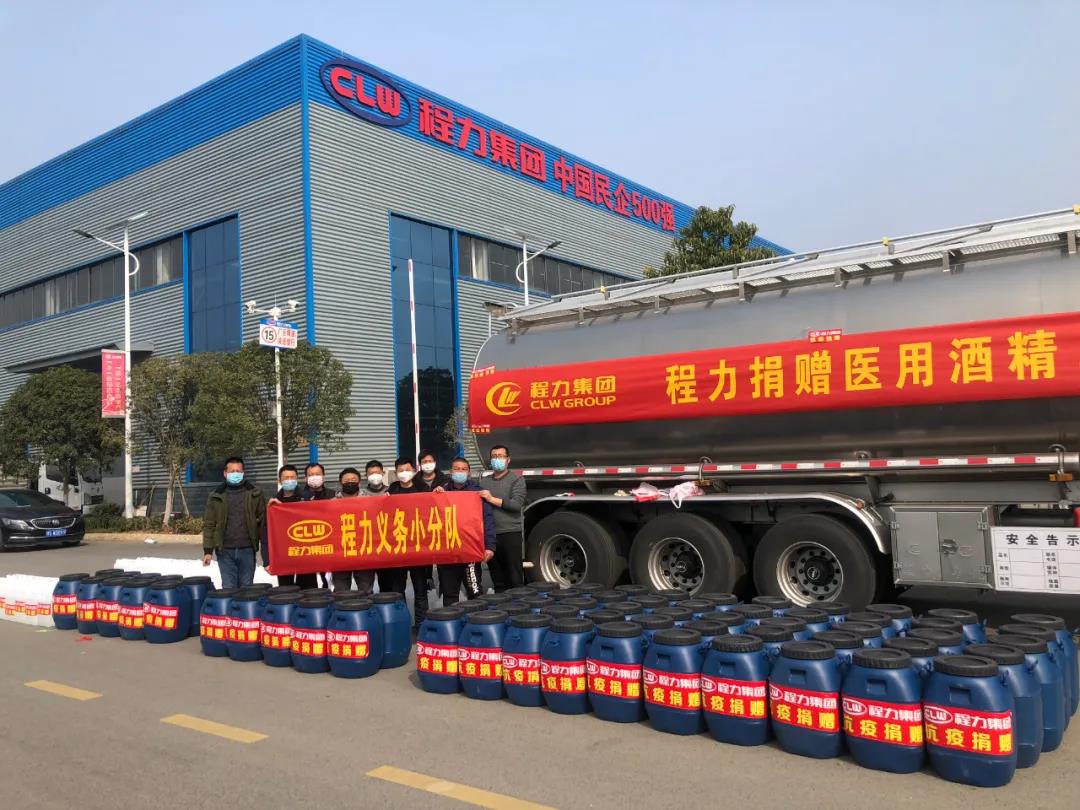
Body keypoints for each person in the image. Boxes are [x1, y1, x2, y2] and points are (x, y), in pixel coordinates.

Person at [202, 457, 267, 588]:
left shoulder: (255, 494)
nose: (235, 474)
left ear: (243, 473)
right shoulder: (216, 496)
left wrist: (266, 551)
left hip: (247, 549)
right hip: (225, 550)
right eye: (232, 471)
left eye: (238, 471)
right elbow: (209, 524)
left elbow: (263, 522)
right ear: (225, 473)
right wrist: (208, 551)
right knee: (228, 587)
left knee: (247, 588)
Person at [439, 457, 496, 603]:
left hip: (470, 551)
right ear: (451, 472)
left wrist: (490, 546)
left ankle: (476, 617)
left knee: (474, 592)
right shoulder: (441, 492)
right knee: (449, 594)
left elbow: (487, 519)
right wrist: (435, 496)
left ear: (469, 473)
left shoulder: (478, 493)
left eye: (464, 469)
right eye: (457, 469)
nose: (460, 472)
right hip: (448, 552)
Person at [388, 457, 431, 629]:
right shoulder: (392, 489)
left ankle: (422, 625)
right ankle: (402, 624)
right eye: (400, 470)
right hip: (398, 548)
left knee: (420, 589)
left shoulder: (422, 488)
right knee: (398, 590)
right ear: (396, 472)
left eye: (407, 469)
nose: (404, 473)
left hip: (418, 547)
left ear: (414, 470)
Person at [479, 445, 527, 592]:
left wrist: (491, 499)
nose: (497, 459)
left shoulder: (517, 479)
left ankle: (518, 605)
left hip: (510, 533)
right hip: (491, 536)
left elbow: (516, 505)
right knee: (498, 580)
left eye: (500, 456)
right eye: (494, 456)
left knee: (515, 579)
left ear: (508, 459)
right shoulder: (484, 482)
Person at [263, 464, 319, 589]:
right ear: (279, 481)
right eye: (286, 478)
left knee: (309, 591)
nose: (289, 480)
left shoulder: (308, 498)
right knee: (286, 592)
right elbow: (266, 533)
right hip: (283, 555)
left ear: (297, 479)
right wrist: (267, 560)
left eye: (292, 477)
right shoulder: (273, 504)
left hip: (305, 555)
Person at [331, 467, 377, 595]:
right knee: (340, 591)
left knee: (366, 590)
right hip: (340, 553)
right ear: (341, 483)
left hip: (364, 552)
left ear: (359, 482)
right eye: (346, 481)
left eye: (353, 480)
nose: (350, 482)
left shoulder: (370, 501)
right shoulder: (331, 503)